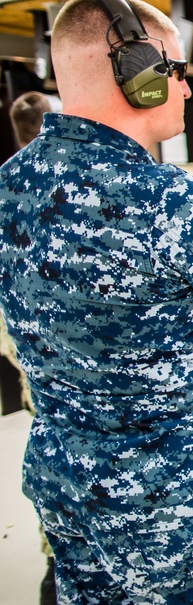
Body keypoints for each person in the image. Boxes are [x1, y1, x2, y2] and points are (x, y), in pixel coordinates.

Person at [0, 0, 193, 603]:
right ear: (135, 74)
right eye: (175, 70)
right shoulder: (175, 203)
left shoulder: (9, 186)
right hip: (186, 517)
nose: (187, 88)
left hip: (72, 498)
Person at [5, 90, 57, 605]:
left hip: (29, 357)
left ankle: (53, 561)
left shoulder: (5, 187)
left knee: (49, 446)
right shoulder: (72, 185)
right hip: (77, 360)